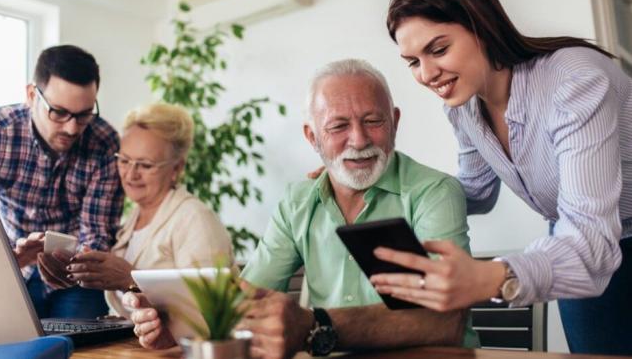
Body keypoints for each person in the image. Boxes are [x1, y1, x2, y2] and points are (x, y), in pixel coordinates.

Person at [126, 59, 479, 356]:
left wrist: (316, 324)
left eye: (373, 121)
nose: (359, 140)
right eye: (338, 126)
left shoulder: (435, 192)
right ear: (312, 137)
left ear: (395, 122)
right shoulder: (298, 201)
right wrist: (179, 328)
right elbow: (247, 301)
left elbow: (445, 320)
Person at [373, 0, 632, 355]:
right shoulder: (463, 110)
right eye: (412, 62)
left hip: (591, 238)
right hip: (576, 238)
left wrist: (490, 276)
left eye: (438, 49)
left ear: (481, 26)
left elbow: (591, 238)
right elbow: (475, 192)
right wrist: (377, 182)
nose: (426, 74)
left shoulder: (575, 81)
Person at [0, 44, 124, 318]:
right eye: (59, 112)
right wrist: (16, 258)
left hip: (76, 273)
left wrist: (71, 260)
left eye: (84, 114)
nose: (72, 128)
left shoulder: (105, 142)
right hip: (10, 267)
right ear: (32, 95)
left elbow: (98, 233)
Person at [65, 102, 233, 316]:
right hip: (128, 346)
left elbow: (211, 307)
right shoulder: (131, 221)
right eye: (124, 160)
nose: (131, 174)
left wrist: (129, 279)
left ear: (176, 168)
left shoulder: (195, 219)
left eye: (145, 165)